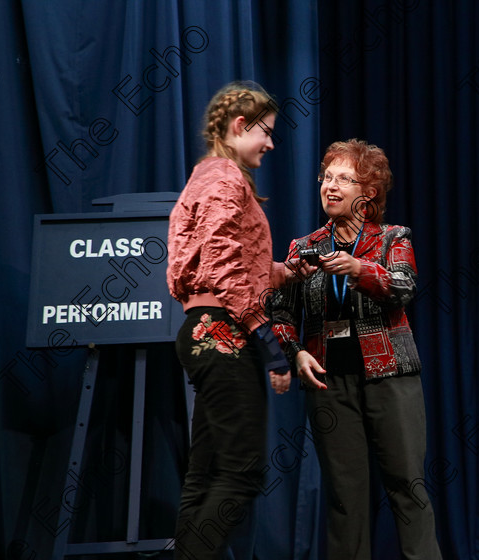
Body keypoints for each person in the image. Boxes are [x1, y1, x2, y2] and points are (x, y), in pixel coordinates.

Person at [271, 139, 443, 559]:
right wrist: (294, 352)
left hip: (390, 377)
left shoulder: (391, 238)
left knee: (406, 484)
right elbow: (278, 310)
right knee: (345, 497)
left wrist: (360, 269)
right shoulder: (303, 247)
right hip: (330, 382)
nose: (330, 186)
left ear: (367, 193)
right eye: (326, 177)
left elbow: (402, 287)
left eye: (343, 179)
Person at [166, 81, 302, 560]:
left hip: (202, 329)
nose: (269, 143)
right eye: (265, 132)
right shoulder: (225, 178)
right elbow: (223, 266)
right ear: (239, 125)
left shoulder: (207, 176)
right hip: (223, 333)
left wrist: (291, 270)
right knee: (243, 473)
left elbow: (229, 264)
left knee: (204, 477)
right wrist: (270, 344)